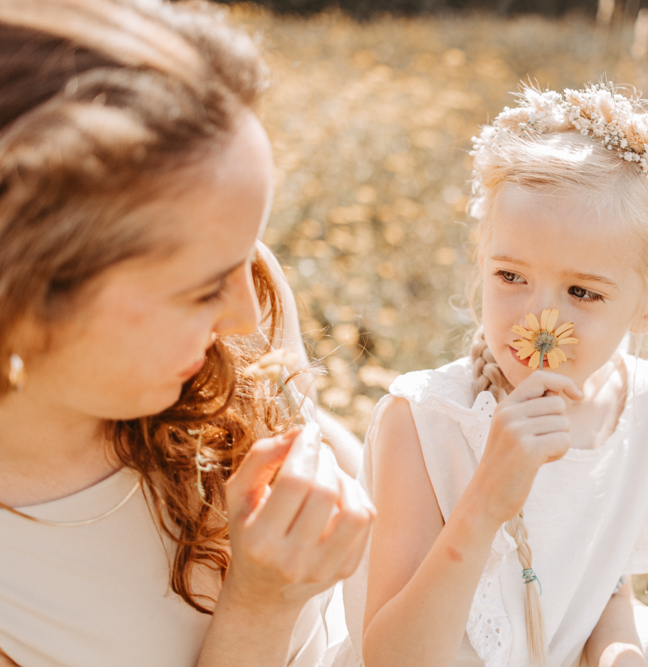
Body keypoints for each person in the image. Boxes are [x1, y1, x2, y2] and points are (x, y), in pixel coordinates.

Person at [330, 84, 648, 667]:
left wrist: (618, 652)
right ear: (482, 261)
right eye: (510, 277)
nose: (539, 318)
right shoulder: (425, 421)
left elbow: (604, 583)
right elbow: (393, 659)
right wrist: (484, 502)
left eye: (582, 291)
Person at [0, 1, 372, 665]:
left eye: (248, 251)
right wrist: (261, 606)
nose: (249, 318)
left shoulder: (245, 293)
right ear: (26, 295)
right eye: (202, 288)